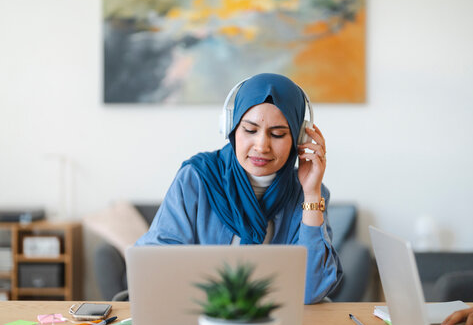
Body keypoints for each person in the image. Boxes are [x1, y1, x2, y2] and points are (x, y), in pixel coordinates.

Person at [135, 73, 342, 304]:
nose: (261, 146)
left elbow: (311, 290)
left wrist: (311, 194)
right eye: (250, 130)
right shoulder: (197, 178)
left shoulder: (308, 192)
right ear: (231, 129)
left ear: (298, 138)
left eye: (277, 134)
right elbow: (154, 262)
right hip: (203, 319)